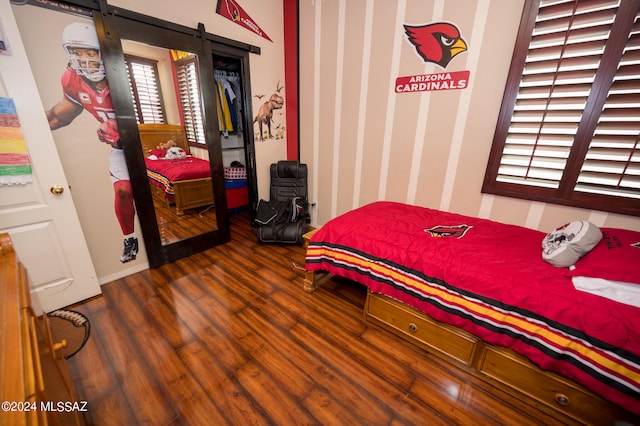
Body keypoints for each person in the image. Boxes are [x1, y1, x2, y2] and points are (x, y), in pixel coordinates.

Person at [46, 22, 138, 263]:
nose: (85, 60)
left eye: (90, 52)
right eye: (78, 53)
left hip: (140, 144)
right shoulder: (71, 80)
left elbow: (144, 120)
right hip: (119, 148)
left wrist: (123, 128)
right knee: (123, 191)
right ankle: (130, 238)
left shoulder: (121, 75)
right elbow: (60, 115)